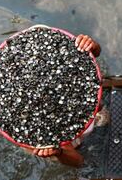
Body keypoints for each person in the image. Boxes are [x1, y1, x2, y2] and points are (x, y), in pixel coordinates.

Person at [24, 34, 106, 167]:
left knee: (102, 112)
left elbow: (95, 54)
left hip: (87, 115)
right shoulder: (39, 126)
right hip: (71, 142)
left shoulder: (62, 65)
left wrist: (92, 46)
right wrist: (58, 151)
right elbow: (79, 162)